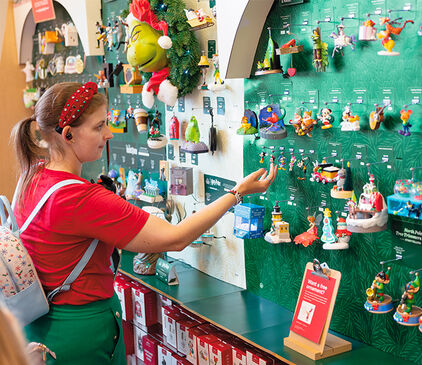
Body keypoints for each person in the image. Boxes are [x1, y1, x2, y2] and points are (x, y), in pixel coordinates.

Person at [11, 82, 277, 365]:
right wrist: (237, 194)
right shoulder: (79, 198)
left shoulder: (34, 176)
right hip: (80, 334)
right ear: (68, 134)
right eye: (99, 126)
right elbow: (176, 238)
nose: (108, 133)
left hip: (41, 328)